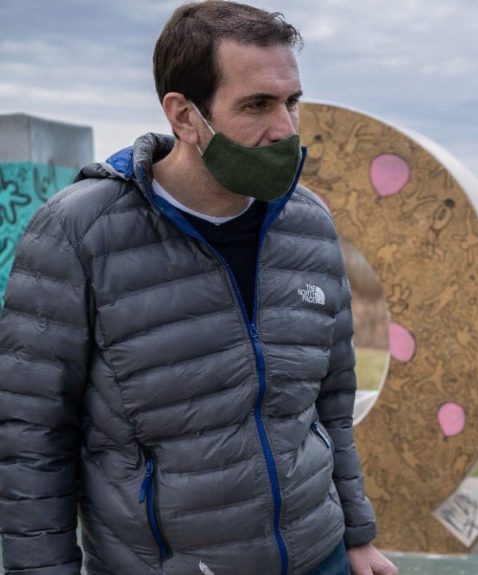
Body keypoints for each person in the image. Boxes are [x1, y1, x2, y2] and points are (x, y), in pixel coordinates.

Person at [0, 2, 397, 574]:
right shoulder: (78, 232)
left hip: (320, 555)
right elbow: (31, 435)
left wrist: (356, 537)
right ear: (184, 116)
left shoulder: (309, 222)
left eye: (292, 102)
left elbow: (331, 402)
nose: (285, 129)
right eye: (257, 105)